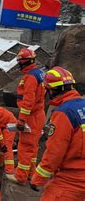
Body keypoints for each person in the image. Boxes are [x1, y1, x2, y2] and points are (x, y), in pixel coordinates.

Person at [30, 67, 85, 200]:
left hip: (72, 179)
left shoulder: (64, 113)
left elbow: (55, 152)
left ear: (52, 90)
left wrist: (37, 178)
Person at [6, 48, 46, 184]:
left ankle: (20, 176)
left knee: (25, 146)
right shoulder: (38, 74)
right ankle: (31, 174)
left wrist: (22, 120)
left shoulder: (30, 77)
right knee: (33, 147)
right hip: (38, 114)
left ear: (23, 63)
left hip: (31, 116)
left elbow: (28, 101)